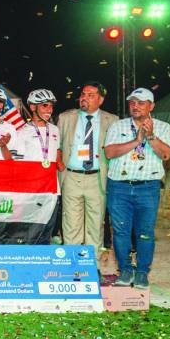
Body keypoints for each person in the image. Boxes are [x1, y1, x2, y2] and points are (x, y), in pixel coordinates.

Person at [103, 88, 170, 288]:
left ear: (151, 106)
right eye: (132, 102)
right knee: (120, 231)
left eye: (141, 102)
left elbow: (166, 155)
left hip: (148, 188)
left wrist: (150, 136)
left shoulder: (163, 127)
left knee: (145, 231)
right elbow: (109, 152)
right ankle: (125, 269)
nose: (135, 106)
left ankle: (142, 271)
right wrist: (136, 141)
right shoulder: (117, 126)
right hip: (119, 187)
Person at [58, 81, 118, 273]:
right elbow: (57, 145)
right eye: (83, 94)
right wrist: (59, 162)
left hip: (97, 178)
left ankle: (92, 268)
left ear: (101, 100)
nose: (84, 98)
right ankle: (72, 267)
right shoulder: (65, 118)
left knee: (95, 224)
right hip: (71, 177)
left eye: (91, 95)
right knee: (71, 224)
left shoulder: (112, 120)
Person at [13, 89, 62, 244]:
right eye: (45, 105)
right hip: (31, 191)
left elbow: (57, 152)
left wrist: (60, 162)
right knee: (30, 232)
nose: (49, 110)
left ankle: (43, 258)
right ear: (33, 107)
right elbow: (18, 165)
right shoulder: (22, 132)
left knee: (47, 231)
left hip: (52, 190)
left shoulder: (55, 130)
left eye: (51, 106)